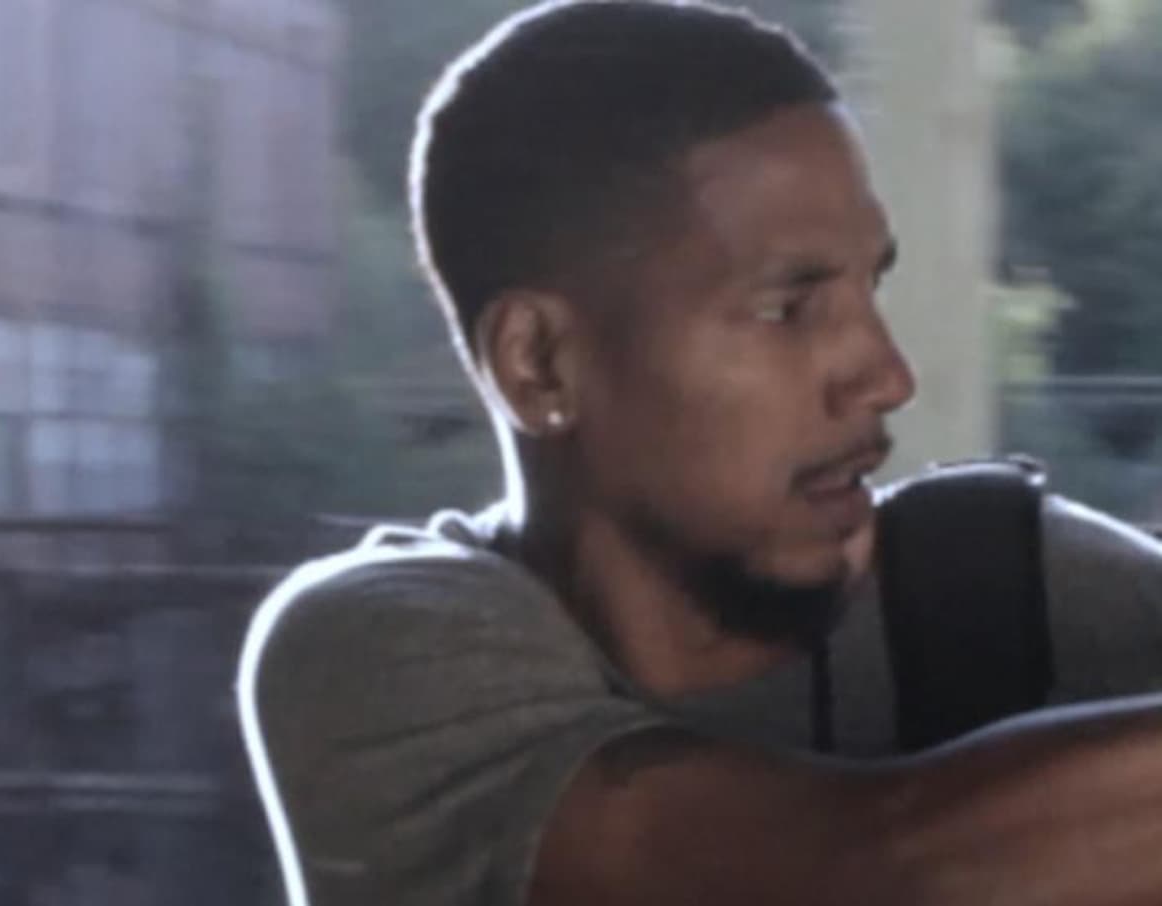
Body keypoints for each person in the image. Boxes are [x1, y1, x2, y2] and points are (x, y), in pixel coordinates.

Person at [237, 2, 1162, 904]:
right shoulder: (374, 655)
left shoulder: (1016, 588)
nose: (885, 377)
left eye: (869, 290)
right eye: (787, 309)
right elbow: (873, 869)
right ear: (540, 363)